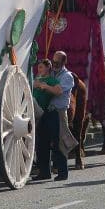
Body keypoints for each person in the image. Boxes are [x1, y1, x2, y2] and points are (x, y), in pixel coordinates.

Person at [33, 51, 74, 181]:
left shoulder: (67, 76)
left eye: (57, 62)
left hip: (59, 112)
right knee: (42, 142)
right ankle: (44, 171)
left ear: (63, 62)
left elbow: (58, 91)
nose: (54, 64)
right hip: (46, 111)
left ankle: (62, 172)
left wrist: (45, 86)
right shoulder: (50, 74)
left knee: (59, 143)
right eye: (53, 61)